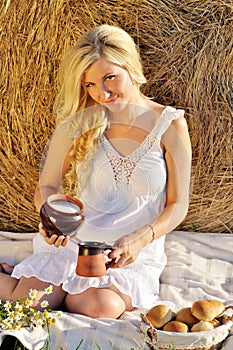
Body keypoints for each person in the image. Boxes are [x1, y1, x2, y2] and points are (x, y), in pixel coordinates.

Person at [0, 24, 191, 319]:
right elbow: (46, 186)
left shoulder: (170, 124)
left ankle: (49, 286)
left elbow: (178, 204)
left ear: (130, 66)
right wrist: (50, 220)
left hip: (132, 252)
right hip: (76, 243)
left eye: (109, 77)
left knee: (103, 308)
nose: (101, 93)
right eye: (89, 85)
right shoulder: (80, 122)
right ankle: (27, 281)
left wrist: (141, 239)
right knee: (29, 303)